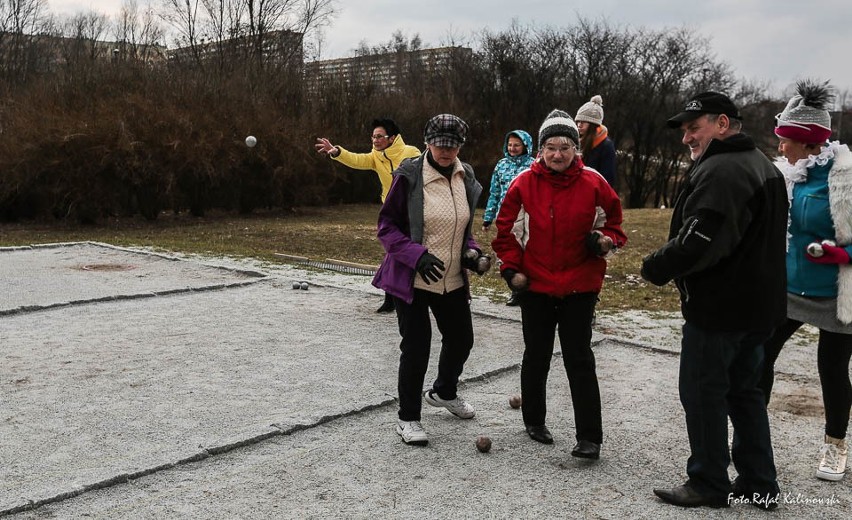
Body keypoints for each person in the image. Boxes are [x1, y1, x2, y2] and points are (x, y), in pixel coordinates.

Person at [641, 92, 788, 510]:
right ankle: (760, 482)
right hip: (759, 307)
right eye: (684, 129)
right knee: (744, 391)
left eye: (694, 126)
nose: (687, 136)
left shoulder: (724, 170)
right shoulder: (762, 164)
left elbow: (698, 241)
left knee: (703, 392)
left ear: (722, 124)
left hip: (722, 308)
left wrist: (654, 267)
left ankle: (708, 481)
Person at [491, 109, 626, 460]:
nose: (557, 154)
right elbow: (504, 232)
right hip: (535, 285)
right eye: (550, 146)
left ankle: (589, 438)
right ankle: (534, 420)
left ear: (576, 150)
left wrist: (605, 240)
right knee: (536, 356)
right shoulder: (523, 183)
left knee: (579, 358)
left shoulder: (594, 182)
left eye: (565, 146)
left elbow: (616, 225)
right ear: (540, 150)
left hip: (580, 286)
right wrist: (511, 270)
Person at [372, 114, 490, 446]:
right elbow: (387, 228)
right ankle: (408, 419)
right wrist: (416, 255)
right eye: (439, 144)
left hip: (450, 279)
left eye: (452, 146)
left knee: (462, 339)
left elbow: (460, 230)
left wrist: (472, 253)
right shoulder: (409, 175)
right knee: (417, 346)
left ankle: (443, 392)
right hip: (412, 279)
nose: (445, 151)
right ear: (427, 142)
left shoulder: (465, 176)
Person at [758, 79, 852, 483]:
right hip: (788, 289)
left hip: (835, 293)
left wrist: (842, 254)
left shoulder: (845, 178)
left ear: (808, 142)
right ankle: (752, 437)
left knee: (831, 370)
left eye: (786, 141)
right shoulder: (786, 175)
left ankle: (835, 445)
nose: (780, 148)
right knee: (759, 357)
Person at [315, 118, 421, 313]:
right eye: (373, 137)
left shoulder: (411, 153)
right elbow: (357, 160)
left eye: (379, 136)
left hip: (413, 212)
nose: (375, 140)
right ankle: (393, 299)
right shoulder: (376, 156)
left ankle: (406, 297)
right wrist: (337, 152)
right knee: (394, 253)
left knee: (402, 253)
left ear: (392, 138)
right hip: (391, 212)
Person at [481, 129, 535, 306]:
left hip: (527, 217)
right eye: (510, 145)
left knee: (526, 252)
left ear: (525, 146)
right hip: (505, 217)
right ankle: (515, 289)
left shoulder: (533, 165)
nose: (512, 148)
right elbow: (494, 193)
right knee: (508, 253)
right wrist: (488, 217)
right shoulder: (501, 165)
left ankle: (529, 286)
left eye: (517, 145)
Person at [575, 95, 616, 187]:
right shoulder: (575, 142)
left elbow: (607, 180)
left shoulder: (606, 146)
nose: (579, 125)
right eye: (578, 121)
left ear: (593, 124)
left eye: (583, 122)